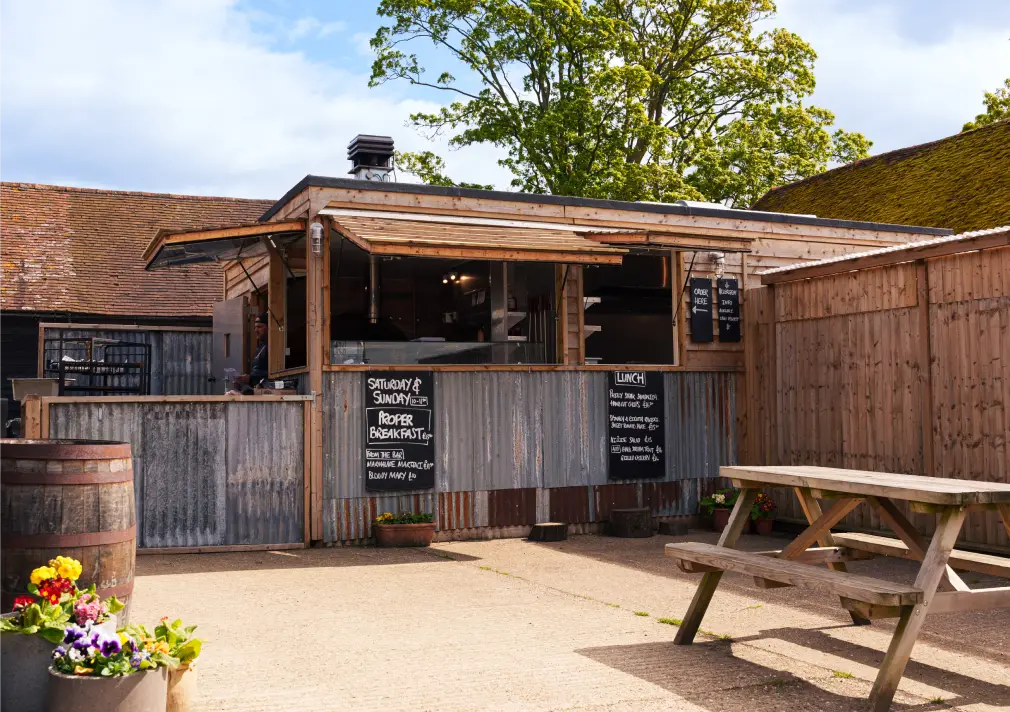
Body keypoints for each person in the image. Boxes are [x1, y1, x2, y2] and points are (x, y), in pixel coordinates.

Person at [232, 313, 269, 394]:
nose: (256, 330)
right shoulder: (260, 347)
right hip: (256, 390)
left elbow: (274, 373)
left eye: (259, 327)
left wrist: (250, 378)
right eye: (255, 327)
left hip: (267, 393)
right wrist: (242, 380)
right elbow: (257, 372)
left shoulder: (273, 347)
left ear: (268, 327)